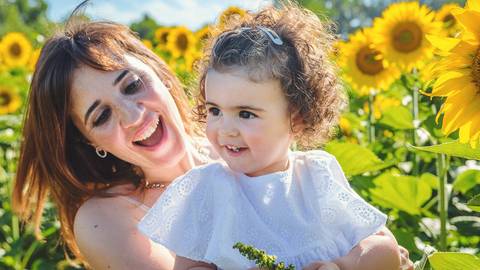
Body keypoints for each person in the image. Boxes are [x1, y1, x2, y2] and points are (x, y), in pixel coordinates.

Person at [138, 3, 409, 270]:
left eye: (245, 114)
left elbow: (384, 246)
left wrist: (341, 266)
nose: (225, 128)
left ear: (297, 118)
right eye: (215, 110)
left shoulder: (316, 175)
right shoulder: (205, 190)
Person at [11, 10, 218, 270]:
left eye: (131, 85)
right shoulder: (104, 220)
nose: (133, 116)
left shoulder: (242, 142)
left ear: (158, 72)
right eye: (102, 116)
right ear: (90, 142)